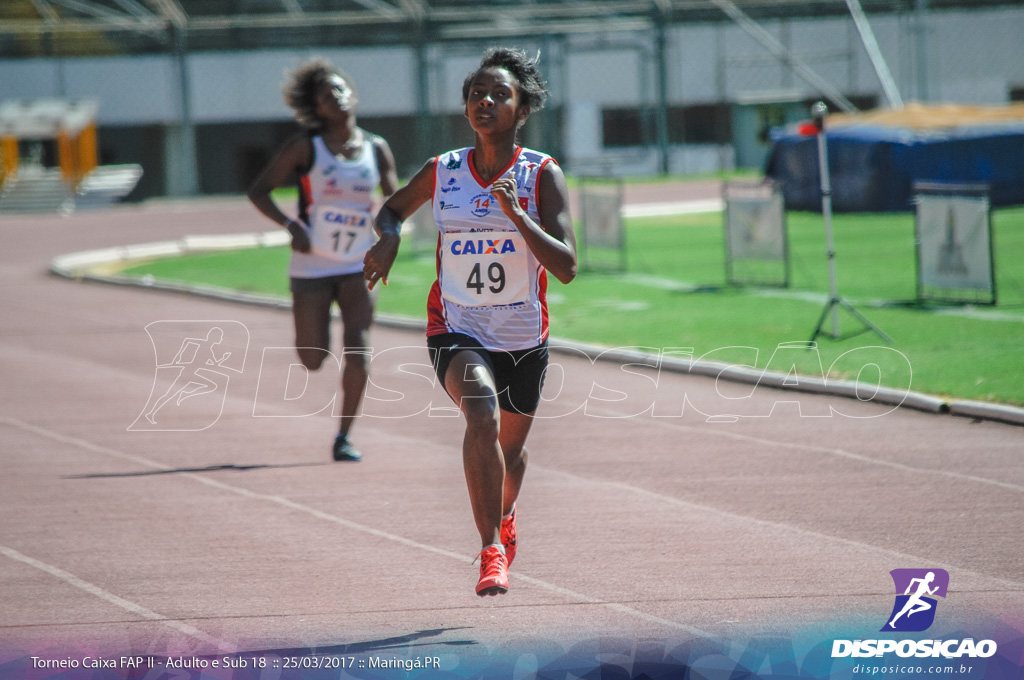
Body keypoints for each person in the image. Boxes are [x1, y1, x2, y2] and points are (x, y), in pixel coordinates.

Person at [362, 47, 577, 596]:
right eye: (477, 94)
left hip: (523, 334)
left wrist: (517, 214)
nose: (486, 101)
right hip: (455, 324)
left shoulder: (540, 174)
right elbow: (391, 209)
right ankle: (490, 550)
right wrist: (387, 239)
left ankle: (504, 516)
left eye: (499, 94)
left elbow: (567, 267)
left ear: (521, 109)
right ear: (465, 109)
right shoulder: (444, 171)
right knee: (479, 414)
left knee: (511, 453)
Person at [249, 59, 398, 462]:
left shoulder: (375, 147)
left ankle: (344, 436)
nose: (336, 97)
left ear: (353, 96)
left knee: (359, 350)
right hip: (312, 265)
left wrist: (389, 234)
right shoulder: (306, 146)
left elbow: (393, 201)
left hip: (357, 263)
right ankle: (318, 340)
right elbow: (259, 190)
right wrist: (290, 225)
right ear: (317, 108)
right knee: (313, 359)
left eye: (340, 90)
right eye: (326, 95)